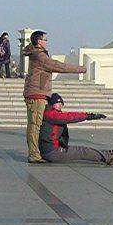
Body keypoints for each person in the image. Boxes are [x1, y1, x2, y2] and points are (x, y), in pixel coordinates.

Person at [22, 31, 86, 163]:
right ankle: (34, 155)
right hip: (37, 95)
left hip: (37, 93)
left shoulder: (37, 53)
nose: (47, 42)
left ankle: (35, 152)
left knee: (35, 125)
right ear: (38, 41)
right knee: (35, 126)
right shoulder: (40, 56)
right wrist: (81, 69)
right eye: (45, 39)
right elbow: (58, 66)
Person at [38, 93, 113, 165]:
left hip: (51, 149)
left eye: (61, 103)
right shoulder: (51, 114)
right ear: (52, 104)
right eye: (58, 103)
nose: (60, 105)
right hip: (52, 152)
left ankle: (109, 153)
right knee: (82, 151)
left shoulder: (50, 113)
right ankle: (109, 157)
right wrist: (88, 116)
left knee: (82, 150)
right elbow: (69, 117)